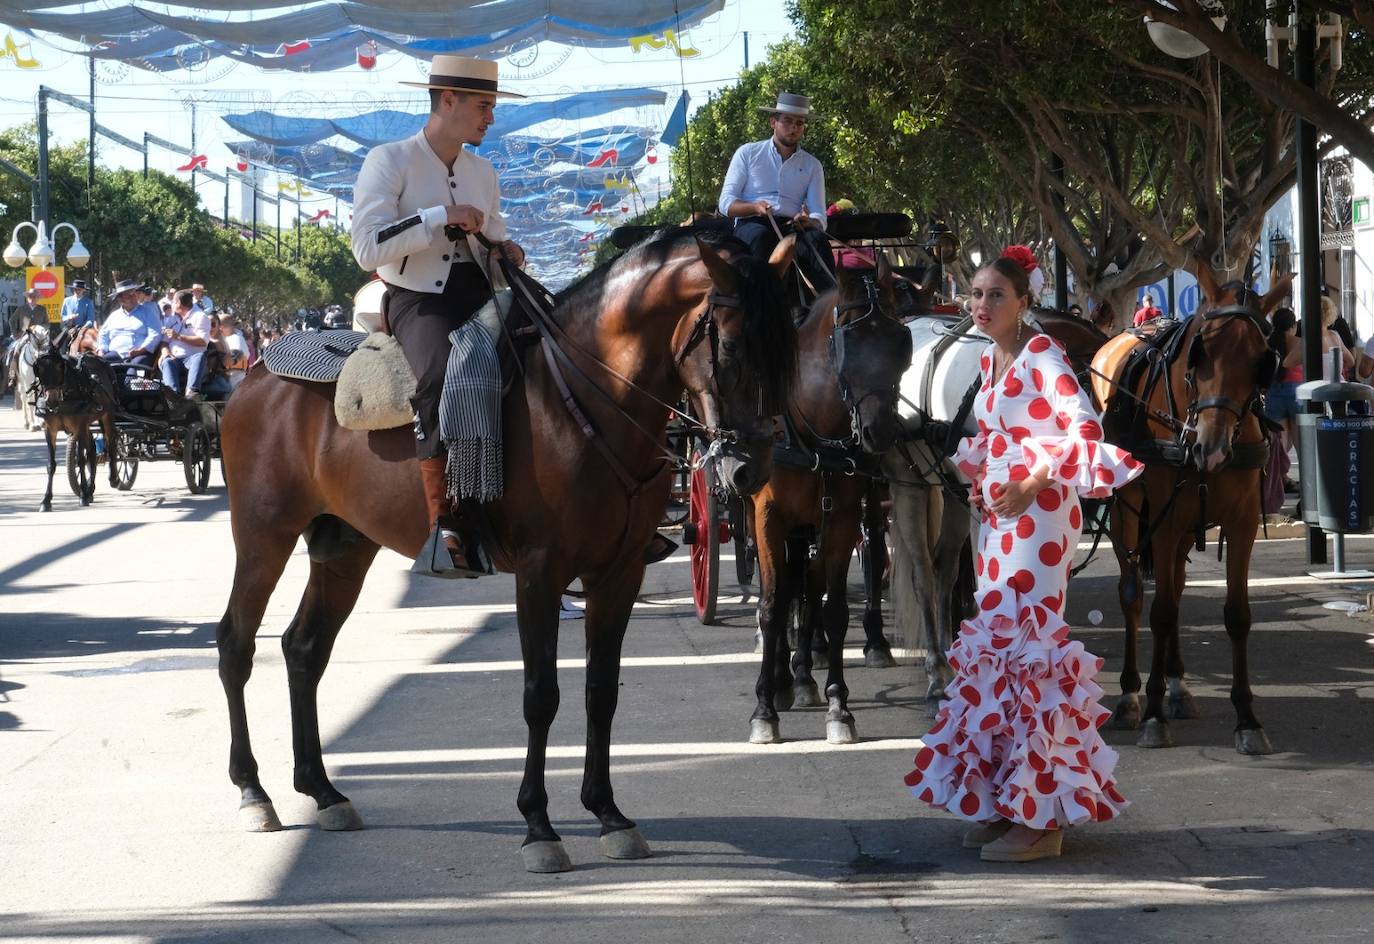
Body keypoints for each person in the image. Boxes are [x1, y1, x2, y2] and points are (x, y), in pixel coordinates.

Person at [904, 250, 1144, 863]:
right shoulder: (990, 358)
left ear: (1024, 303)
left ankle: (1042, 819)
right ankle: (1010, 799)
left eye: (995, 296)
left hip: (1038, 521)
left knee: (1031, 654)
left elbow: (1081, 430)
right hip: (1000, 522)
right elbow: (994, 435)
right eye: (976, 295)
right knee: (999, 650)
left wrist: (1031, 483)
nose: (981, 306)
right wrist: (980, 474)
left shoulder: (1043, 355)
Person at [351, 53, 526, 579]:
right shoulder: (390, 160)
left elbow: (491, 237)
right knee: (439, 373)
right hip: (418, 298)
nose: (490, 117)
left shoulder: (483, 172)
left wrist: (505, 251)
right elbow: (366, 247)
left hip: (481, 293)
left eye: (492, 106)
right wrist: (437, 217)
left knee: (550, 356)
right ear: (447, 100)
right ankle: (444, 522)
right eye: (483, 105)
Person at [718, 91, 836, 295]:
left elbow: (818, 213)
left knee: (817, 240)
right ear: (773, 122)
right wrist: (754, 207)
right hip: (753, 223)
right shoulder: (748, 153)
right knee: (762, 238)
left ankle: (832, 310)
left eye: (799, 123)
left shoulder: (812, 165)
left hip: (792, 227)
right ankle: (759, 306)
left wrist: (811, 222)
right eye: (787, 121)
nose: (793, 128)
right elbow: (726, 204)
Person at [97, 279, 160, 366]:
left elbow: (155, 333)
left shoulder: (148, 312)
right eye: (128, 295)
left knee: (132, 374)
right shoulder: (114, 316)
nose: (133, 297)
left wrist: (141, 350)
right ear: (120, 299)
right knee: (98, 365)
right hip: (115, 354)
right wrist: (101, 350)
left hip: (139, 355)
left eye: (134, 293)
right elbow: (103, 334)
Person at [161, 290, 210, 398]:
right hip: (174, 358)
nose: (172, 304)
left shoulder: (200, 317)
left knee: (200, 356)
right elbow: (164, 342)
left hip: (192, 359)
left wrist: (178, 337)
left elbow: (203, 341)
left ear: (178, 303)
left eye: (173, 302)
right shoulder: (171, 319)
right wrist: (166, 353)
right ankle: (173, 397)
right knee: (167, 362)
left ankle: (191, 393)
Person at [216, 312, 250, 388]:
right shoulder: (225, 338)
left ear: (221, 327)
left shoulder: (236, 339)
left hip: (233, 382)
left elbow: (233, 360)